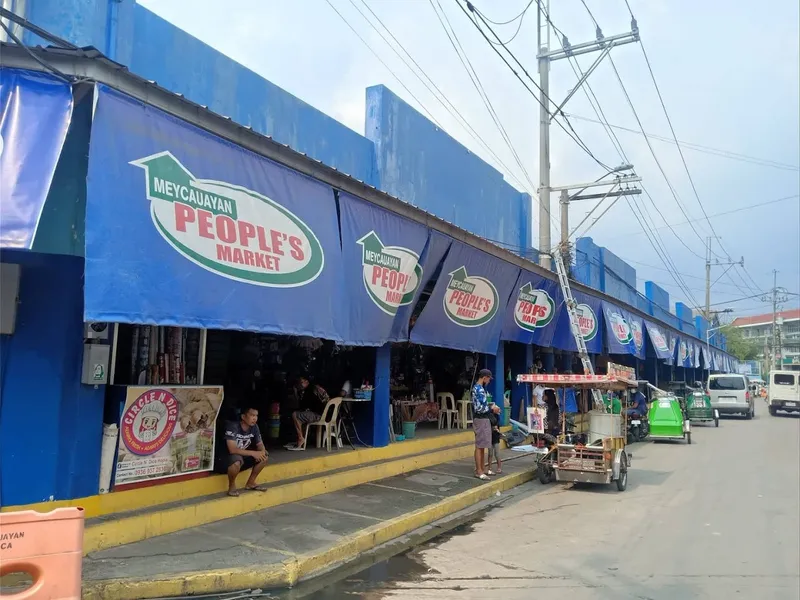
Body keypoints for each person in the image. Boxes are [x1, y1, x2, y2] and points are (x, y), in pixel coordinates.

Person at [223, 407, 268, 497]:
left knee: (264, 457)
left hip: (243, 456)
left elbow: (260, 444)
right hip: (227, 458)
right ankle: (231, 486)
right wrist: (253, 453)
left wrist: (262, 451)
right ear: (243, 416)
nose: (255, 418)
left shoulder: (255, 427)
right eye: (252, 415)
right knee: (236, 460)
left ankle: (250, 483)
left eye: (256, 416)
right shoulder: (233, 426)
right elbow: (233, 449)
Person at [287, 376, 330, 451]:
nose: (298, 385)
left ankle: (301, 438)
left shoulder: (313, 389)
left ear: (306, 382)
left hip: (320, 414)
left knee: (295, 415)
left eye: (300, 382)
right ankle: (301, 439)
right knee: (299, 415)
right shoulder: (308, 390)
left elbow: (327, 400)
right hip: (322, 413)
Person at [472, 369, 500, 480]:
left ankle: (481, 469)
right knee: (480, 446)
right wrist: (493, 409)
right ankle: (479, 471)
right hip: (482, 419)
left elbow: (481, 404)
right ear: (485, 377)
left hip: (480, 419)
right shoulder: (480, 390)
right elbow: (480, 408)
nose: (489, 381)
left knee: (481, 445)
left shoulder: (477, 388)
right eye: (489, 379)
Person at [487, 410, 503, 474]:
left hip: (495, 437)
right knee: (490, 453)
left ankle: (499, 467)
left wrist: (495, 429)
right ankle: (489, 467)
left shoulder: (496, 417)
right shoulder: (489, 416)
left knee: (497, 454)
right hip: (490, 437)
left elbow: (497, 426)